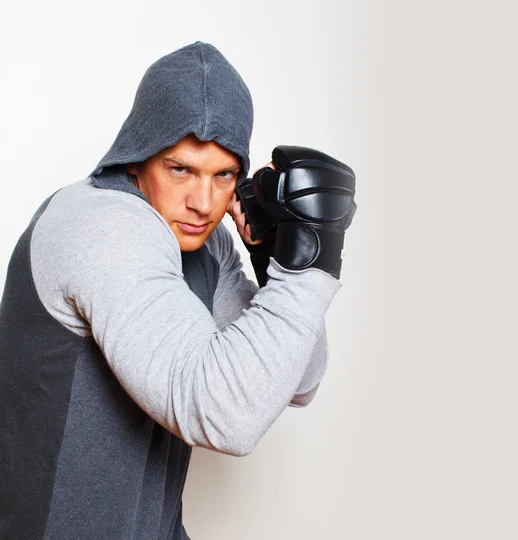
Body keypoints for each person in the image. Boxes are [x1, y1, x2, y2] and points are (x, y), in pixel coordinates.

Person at [0, 41, 356, 539]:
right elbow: (227, 415)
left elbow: (300, 379)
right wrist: (310, 269)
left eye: (224, 174)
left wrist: (278, 258)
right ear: (138, 156)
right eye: (181, 169)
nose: (203, 203)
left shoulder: (203, 246)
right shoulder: (100, 225)